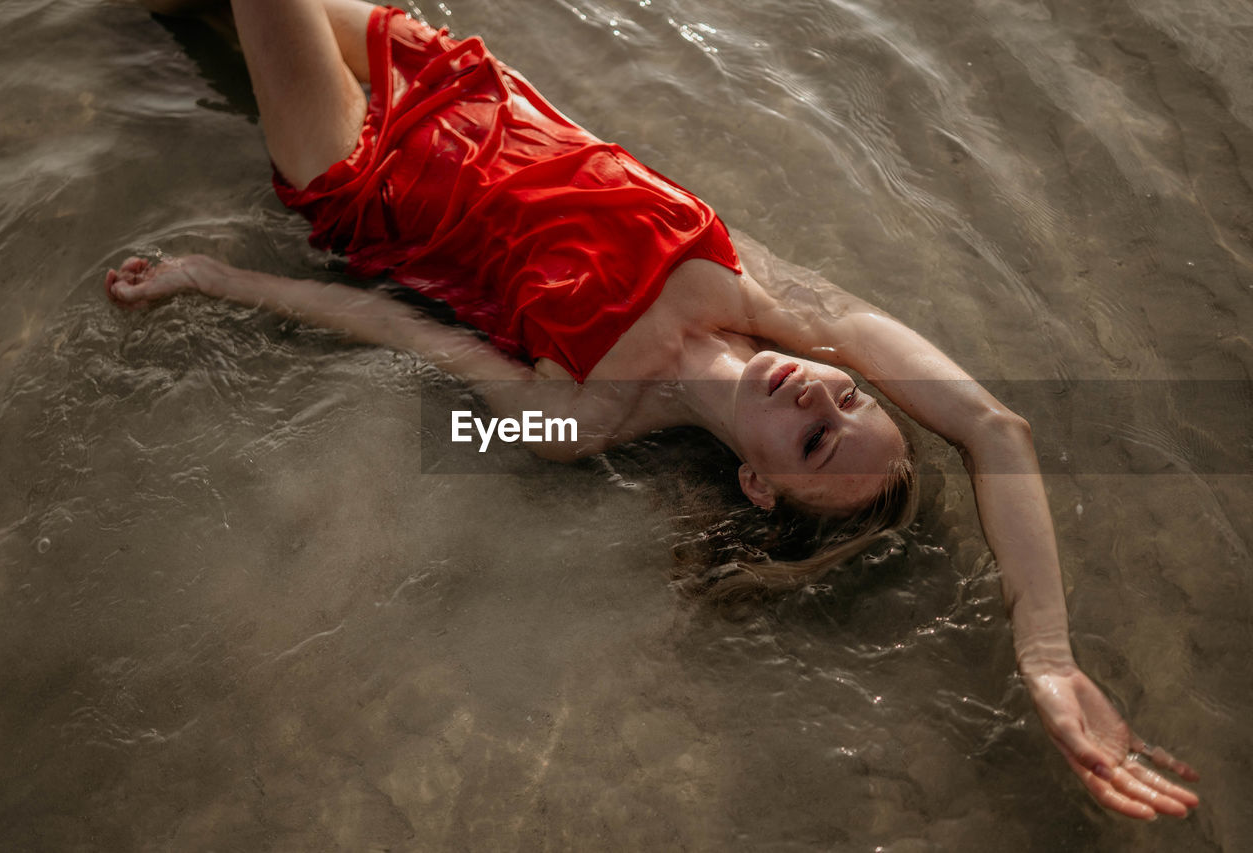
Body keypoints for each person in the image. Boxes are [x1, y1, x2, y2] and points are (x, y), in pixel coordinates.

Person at [108, 0, 1200, 819]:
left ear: (757, 482)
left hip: (364, 174)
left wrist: (220, 282)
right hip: (447, 74)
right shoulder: (777, 300)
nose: (822, 389)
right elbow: (993, 430)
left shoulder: (587, 419)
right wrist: (1044, 651)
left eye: (815, 435)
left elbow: (419, 355)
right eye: (852, 397)